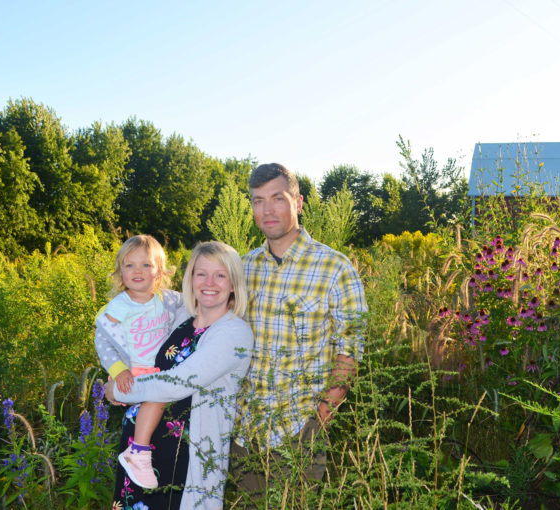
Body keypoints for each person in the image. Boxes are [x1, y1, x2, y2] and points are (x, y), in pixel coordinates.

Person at [229, 163, 368, 501]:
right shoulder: (240, 269)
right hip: (243, 435)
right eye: (258, 200)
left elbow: (350, 353)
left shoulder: (335, 269)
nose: (267, 209)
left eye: (277, 198)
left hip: (298, 436)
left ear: (299, 202)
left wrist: (317, 422)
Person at [104, 241, 254, 510]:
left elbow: (175, 383)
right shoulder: (180, 316)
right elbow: (136, 341)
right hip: (140, 454)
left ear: (233, 284)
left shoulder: (234, 333)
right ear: (190, 278)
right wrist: (119, 370)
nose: (209, 282)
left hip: (183, 462)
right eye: (201, 273)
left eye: (220, 275)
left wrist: (118, 389)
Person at [94, 234, 182, 489]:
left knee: (157, 402)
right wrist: (118, 370)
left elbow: (195, 301)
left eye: (146, 265)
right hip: (133, 372)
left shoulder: (167, 299)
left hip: (156, 370)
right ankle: (138, 451)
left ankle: (142, 453)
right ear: (120, 272)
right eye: (129, 265)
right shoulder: (119, 306)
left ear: (159, 272)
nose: (137, 271)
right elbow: (104, 342)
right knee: (156, 399)